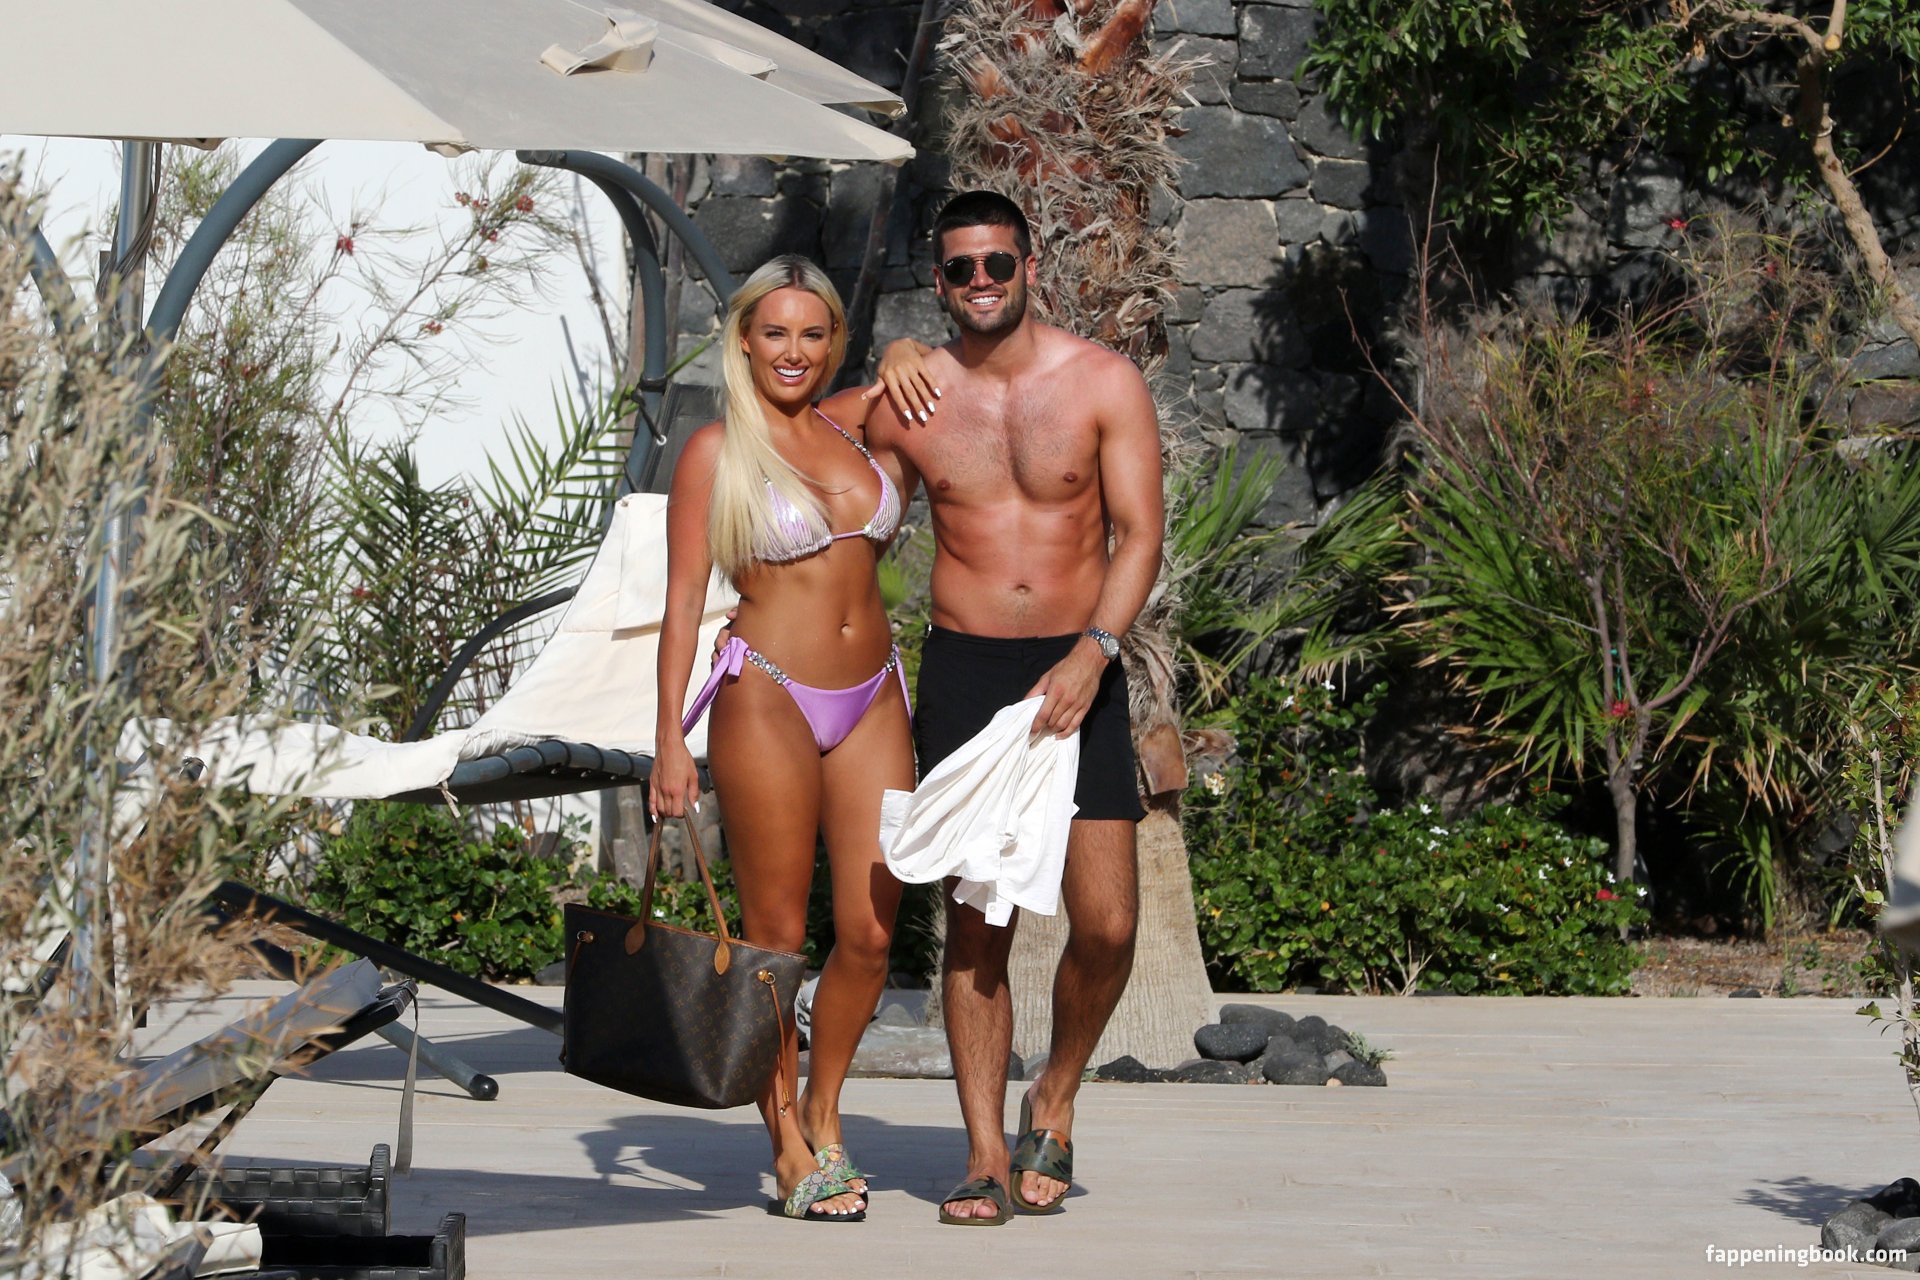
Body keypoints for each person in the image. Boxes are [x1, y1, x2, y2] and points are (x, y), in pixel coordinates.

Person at [863, 191, 1165, 1226]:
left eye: (998, 263)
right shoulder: (914, 397)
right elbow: (815, 455)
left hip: (1082, 662)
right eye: (961, 269)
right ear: (939, 282)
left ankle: (1057, 1091)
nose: (982, 281)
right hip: (966, 669)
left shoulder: (1103, 382)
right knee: (977, 924)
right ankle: (986, 1150)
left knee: (1108, 922)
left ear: (1030, 267)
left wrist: (1096, 650)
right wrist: (884, 361)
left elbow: (1140, 533)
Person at [650, 255, 913, 1223]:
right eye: (774, 333)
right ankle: (787, 1142)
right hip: (767, 694)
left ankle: (824, 1107)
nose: (792, 351)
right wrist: (668, 740)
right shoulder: (716, 451)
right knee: (778, 940)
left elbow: (927, 376)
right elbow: (684, 600)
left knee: (874, 930)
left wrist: (910, 347)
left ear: (835, 340)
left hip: (874, 695)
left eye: (812, 333)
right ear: (744, 342)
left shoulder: (853, 424)